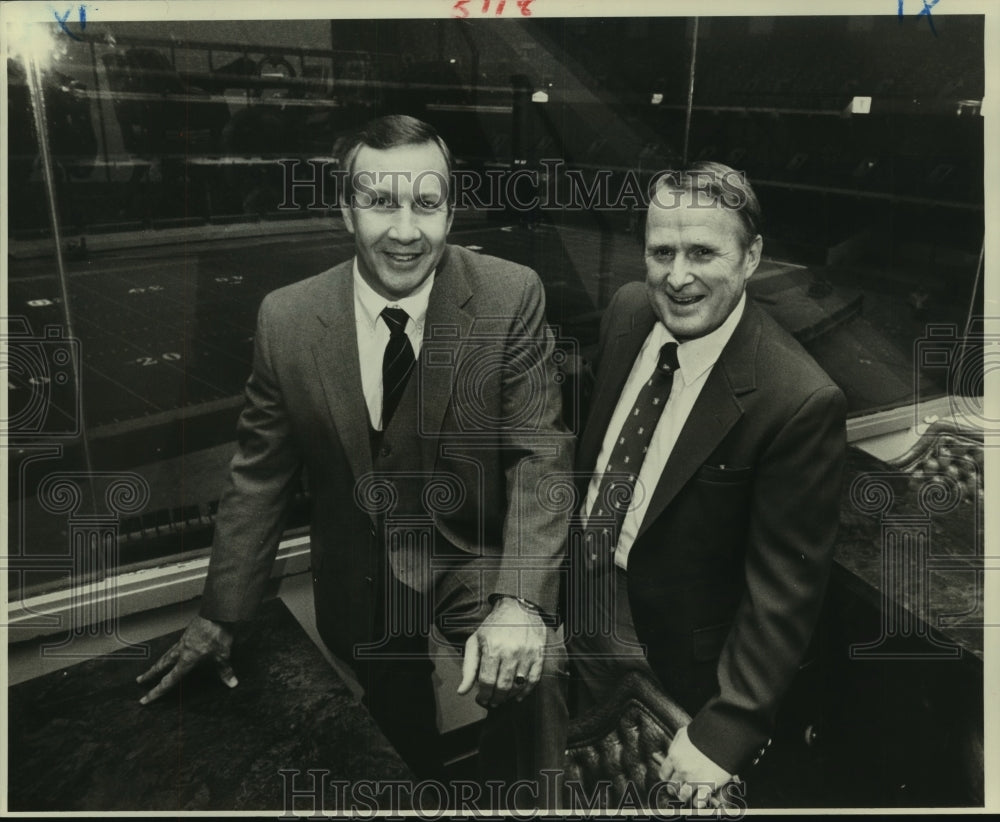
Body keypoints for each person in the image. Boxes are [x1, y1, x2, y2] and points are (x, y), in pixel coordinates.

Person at [137, 114, 571, 805]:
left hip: (470, 556)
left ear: (451, 208)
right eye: (381, 203)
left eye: (426, 204)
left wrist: (520, 602)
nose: (405, 231)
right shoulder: (286, 318)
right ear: (346, 210)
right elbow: (260, 476)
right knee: (399, 743)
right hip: (362, 573)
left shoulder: (509, 294)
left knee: (538, 670)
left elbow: (540, 454)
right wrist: (220, 613)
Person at [568, 161, 846, 808]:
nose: (678, 275)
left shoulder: (796, 400)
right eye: (661, 251)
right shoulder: (630, 309)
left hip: (673, 654)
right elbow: (601, 453)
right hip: (585, 600)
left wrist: (728, 729)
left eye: (702, 252)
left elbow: (786, 593)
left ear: (751, 258)